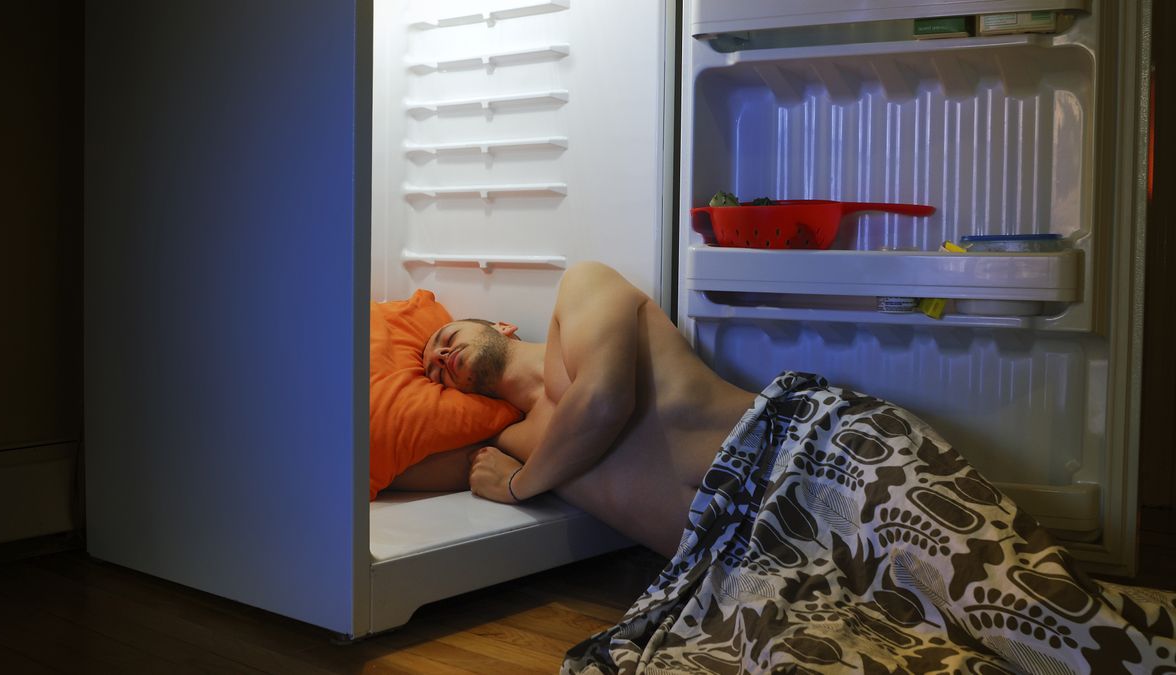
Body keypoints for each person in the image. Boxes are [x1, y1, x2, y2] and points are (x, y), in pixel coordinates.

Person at [414, 262, 1175, 673]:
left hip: (816, 454)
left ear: (497, 323)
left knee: (1041, 619)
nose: (440, 356)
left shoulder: (581, 289)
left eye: (444, 335)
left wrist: (516, 486)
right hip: (751, 561)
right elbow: (389, 464)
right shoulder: (518, 435)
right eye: (430, 365)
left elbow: (606, 399)